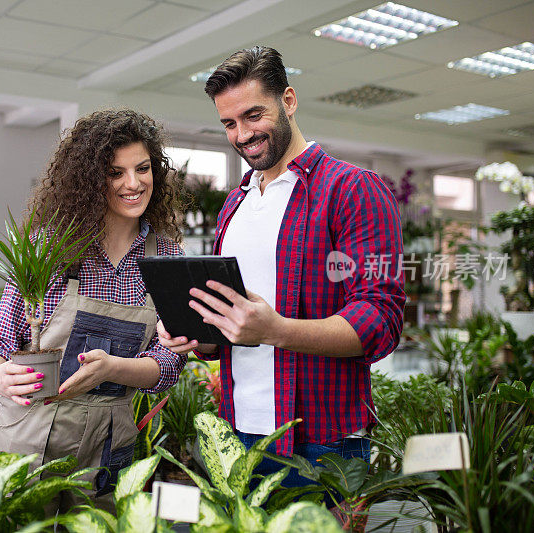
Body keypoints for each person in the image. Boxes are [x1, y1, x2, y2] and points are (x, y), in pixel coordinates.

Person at [158, 46, 405, 496]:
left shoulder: (353, 190)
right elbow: (233, 333)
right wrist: (197, 334)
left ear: (288, 101)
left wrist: (277, 330)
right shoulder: (234, 206)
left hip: (319, 442)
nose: (241, 134)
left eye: (253, 116)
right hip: (236, 435)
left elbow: (380, 322)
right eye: (229, 124)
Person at [0, 109, 186, 514]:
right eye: (115, 172)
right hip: (28, 430)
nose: (133, 183)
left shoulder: (167, 257)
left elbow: (168, 362)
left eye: (142, 169)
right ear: (89, 180)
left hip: (108, 441)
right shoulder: (49, 248)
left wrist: (113, 369)